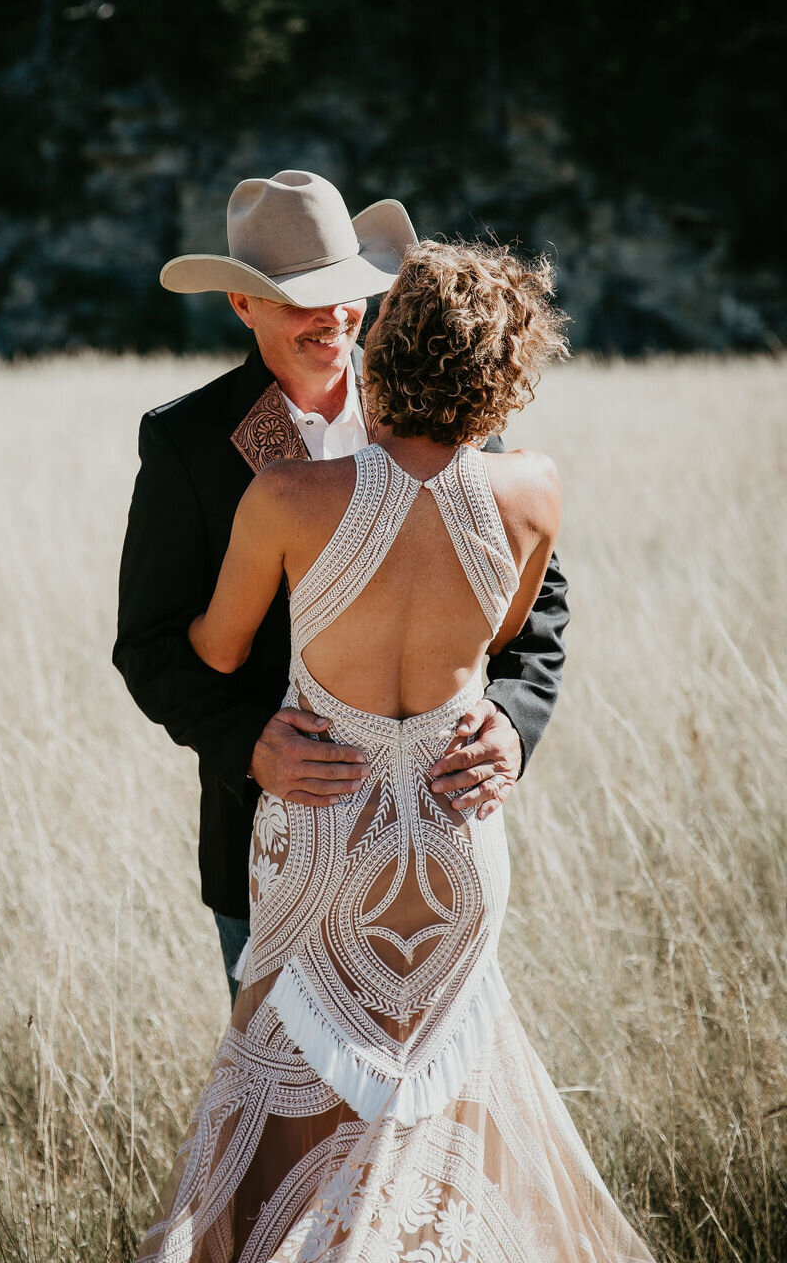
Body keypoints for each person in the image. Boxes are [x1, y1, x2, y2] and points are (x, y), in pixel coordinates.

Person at [134, 237, 655, 1263]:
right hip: (457, 844)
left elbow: (211, 646)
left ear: (386, 347)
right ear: (506, 369)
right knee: (438, 1138)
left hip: (327, 835)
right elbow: (498, 630)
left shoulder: (284, 502)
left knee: (289, 1150)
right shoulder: (532, 488)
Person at [113, 171, 570, 1008]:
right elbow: (146, 645)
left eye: (349, 294)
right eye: (302, 301)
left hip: (441, 844)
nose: (335, 319)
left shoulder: (452, 401)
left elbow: (537, 612)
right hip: (270, 840)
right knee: (286, 1121)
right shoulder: (186, 443)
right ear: (242, 307)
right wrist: (248, 741)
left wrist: (513, 720)